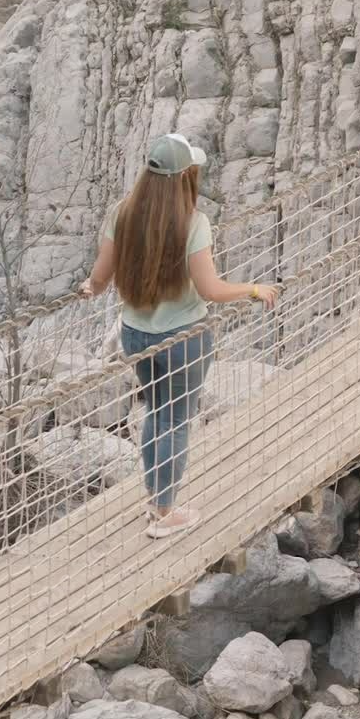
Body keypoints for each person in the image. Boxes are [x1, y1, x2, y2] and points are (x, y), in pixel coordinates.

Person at [79, 133, 278, 539]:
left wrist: (88, 288)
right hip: (183, 340)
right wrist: (254, 289)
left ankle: (155, 499)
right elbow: (211, 290)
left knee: (156, 412)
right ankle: (165, 511)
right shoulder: (193, 223)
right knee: (175, 419)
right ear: (185, 176)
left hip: (135, 336)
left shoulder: (122, 213)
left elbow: (99, 278)